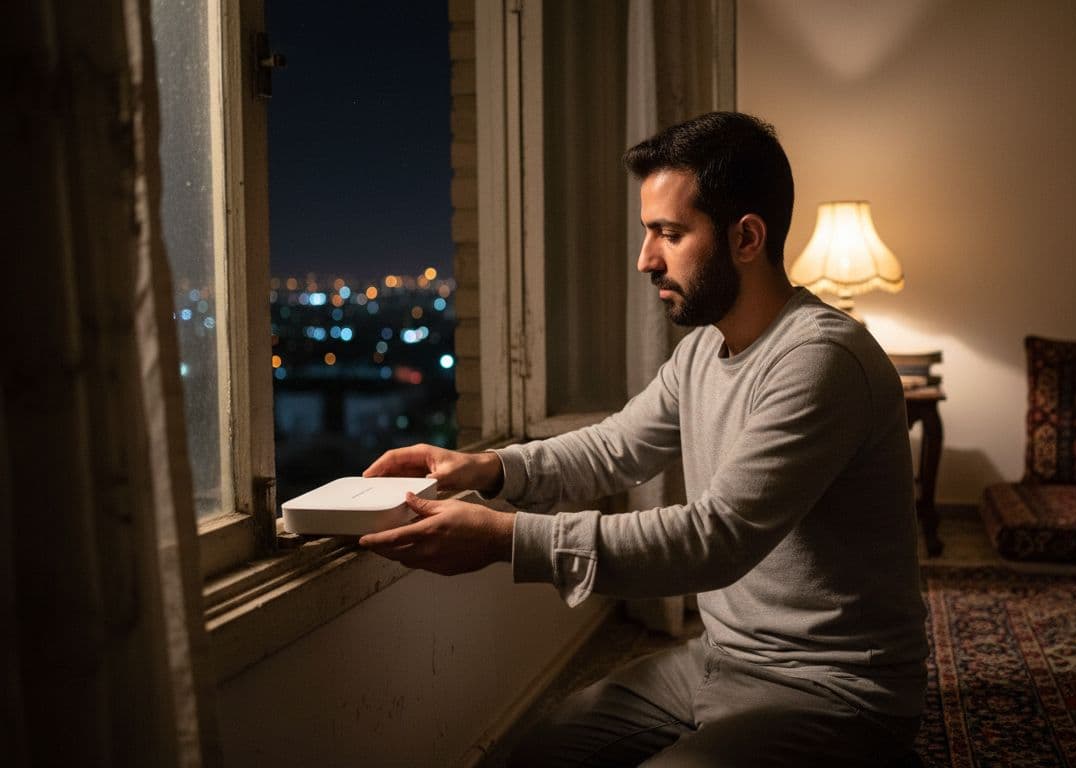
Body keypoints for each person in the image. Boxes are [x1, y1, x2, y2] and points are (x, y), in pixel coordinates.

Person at [360, 112, 928, 766]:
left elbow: (713, 541)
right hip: (721, 658)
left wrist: (502, 539)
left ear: (746, 237)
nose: (645, 258)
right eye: (647, 232)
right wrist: (485, 468)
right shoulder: (704, 352)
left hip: (837, 691)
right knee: (530, 755)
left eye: (670, 233)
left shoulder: (820, 362)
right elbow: (614, 448)